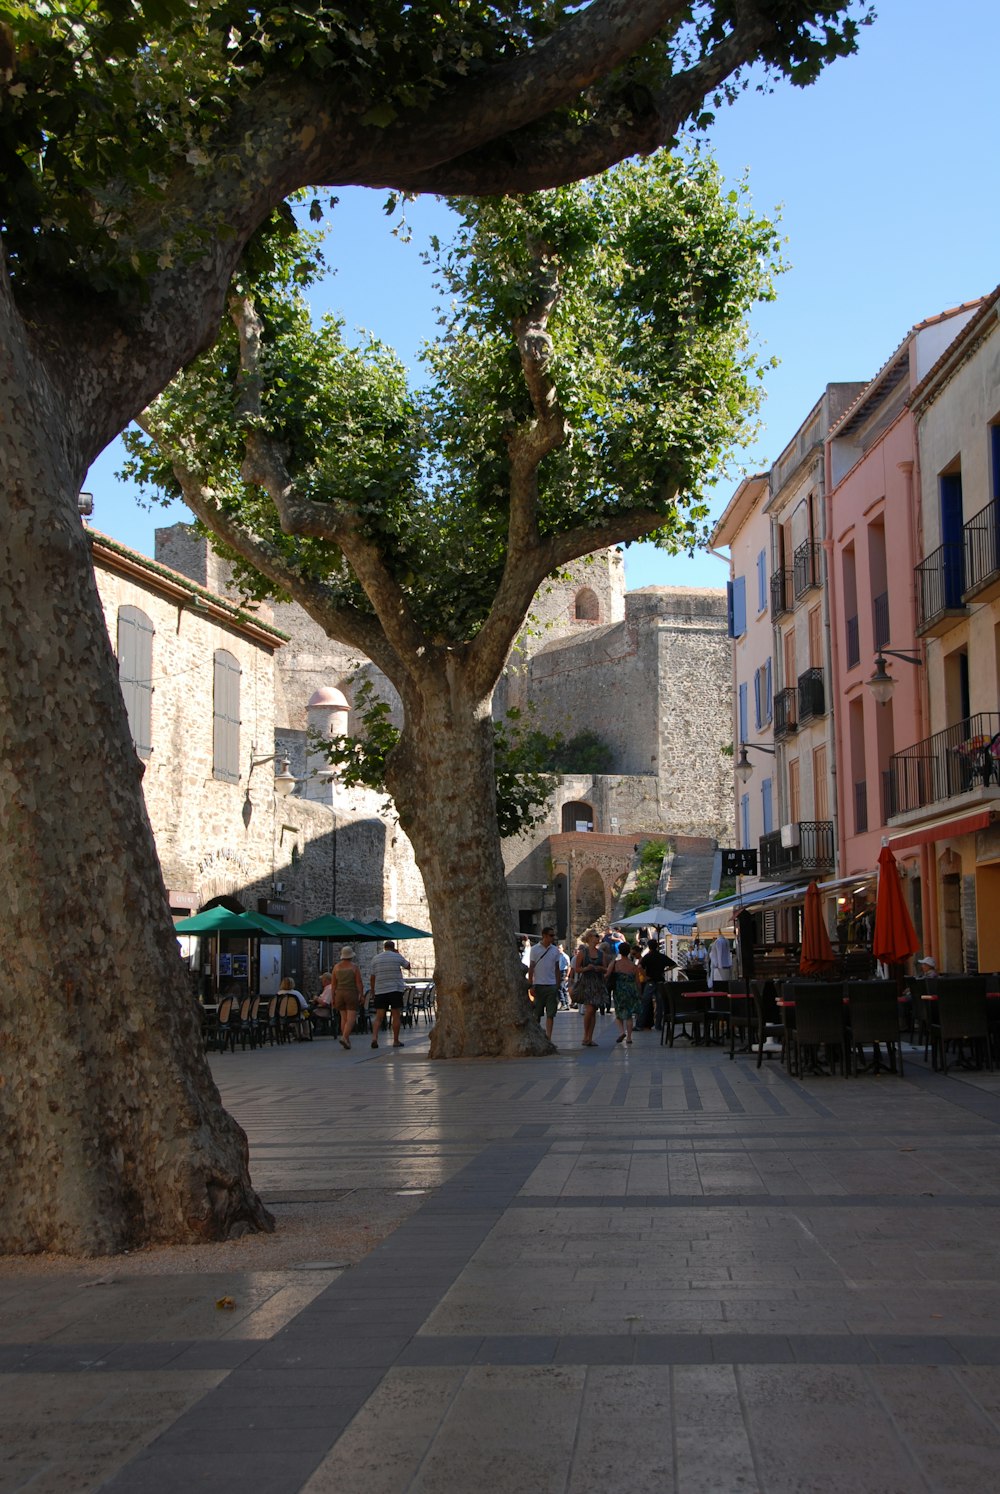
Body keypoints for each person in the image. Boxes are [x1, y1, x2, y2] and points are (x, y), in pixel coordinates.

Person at [369, 939, 411, 1049]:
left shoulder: (375, 959)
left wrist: (373, 991)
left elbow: (372, 977)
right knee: (396, 1015)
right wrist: (398, 954)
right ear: (393, 947)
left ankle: (374, 1038)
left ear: (384, 947)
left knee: (379, 1016)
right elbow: (408, 966)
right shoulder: (397, 956)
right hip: (395, 989)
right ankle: (396, 1040)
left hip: (380, 990)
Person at [573, 929, 610, 1047]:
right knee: (589, 1010)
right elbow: (577, 969)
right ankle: (585, 1035)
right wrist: (586, 968)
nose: (598, 938)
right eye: (596, 936)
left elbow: (606, 968)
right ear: (589, 938)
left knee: (594, 1010)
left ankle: (590, 1037)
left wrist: (600, 969)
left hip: (597, 982)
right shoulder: (583, 953)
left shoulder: (601, 954)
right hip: (587, 982)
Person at [528, 927, 562, 1041]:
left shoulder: (555, 950)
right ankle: (537, 1036)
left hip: (551, 985)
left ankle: (548, 1037)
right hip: (538, 985)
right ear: (544, 936)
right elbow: (531, 967)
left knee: (551, 1013)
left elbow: (557, 968)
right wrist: (530, 984)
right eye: (551, 935)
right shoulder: (534, 949)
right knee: (537, 1013)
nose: (553, 937)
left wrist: (557, 984)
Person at [608, 941, 643, 1045]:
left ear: (619, 951)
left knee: (619, 1012)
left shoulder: (615, 963)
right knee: (629, 1015)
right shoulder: (633, 966)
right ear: (629, 952)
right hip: (631, 990)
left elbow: (607, 974)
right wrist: (639, 993)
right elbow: (638, 982)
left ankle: (622, 1032)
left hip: (619, 990)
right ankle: (629, 1037)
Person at [332, 945, 363, 1049]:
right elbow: (359, 983)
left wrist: (333, 997)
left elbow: (333, 984)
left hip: (339, 994)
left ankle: (347, 1041)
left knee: (343, 1018)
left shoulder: (336, 967)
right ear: (351, 956)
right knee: (351, 1018)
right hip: (351, 993)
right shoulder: (354, 967)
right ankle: (344, 1037)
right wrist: (361, 994)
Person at [639, 938, 675, 1030]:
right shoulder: (662, 956)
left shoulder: (647, 956)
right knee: (660, 1004)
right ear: (657, 946)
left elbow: (640, 967)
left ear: (649, 947)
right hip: (660, 981)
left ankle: (640, 1025)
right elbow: (674, 965)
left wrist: (645, 976)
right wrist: (665, 970)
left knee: (645, 1003)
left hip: (650, 981)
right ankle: (658, 1025)